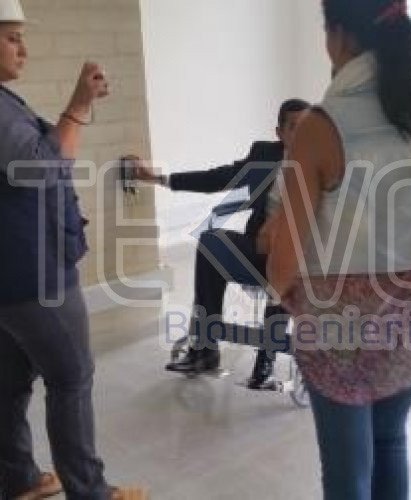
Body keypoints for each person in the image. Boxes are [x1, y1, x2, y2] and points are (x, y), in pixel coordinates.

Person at [258, 1, 411, 499]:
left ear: (341, 36)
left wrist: (278, 291)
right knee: (391, 439)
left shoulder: (321, 124)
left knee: (347, 470)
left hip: (339, 324)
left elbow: (285, 254)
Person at [0, 1, 147, 498]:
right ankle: (91, 491)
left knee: (10, 380)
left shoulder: (6, 99)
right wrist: (80, 105)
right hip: (32, 272)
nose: (23, 49)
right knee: (71, 377)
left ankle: (19, 479)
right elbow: (43, 168)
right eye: (12, 37)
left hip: (12, 274)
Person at [132, 99, 309, 388]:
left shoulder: (325, 161)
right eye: (293, 127)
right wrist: (160, 179)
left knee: (288, 263)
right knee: (211, 242)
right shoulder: (265, 155)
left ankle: (265, 360)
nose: (302, 135)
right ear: (280, 132)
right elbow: (219, 178)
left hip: (302, 259)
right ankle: (204, 349)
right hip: (259, 247)